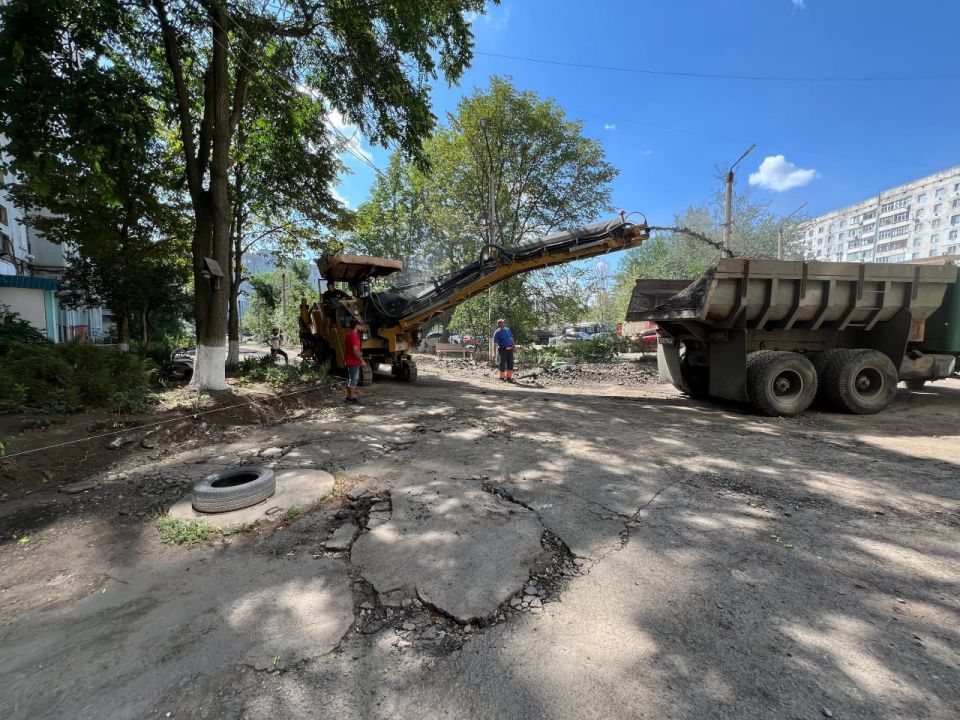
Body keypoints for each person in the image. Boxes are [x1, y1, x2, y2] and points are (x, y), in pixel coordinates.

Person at [344, 318, 367, 404]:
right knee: (353, 379)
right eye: (360, 325)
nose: (362, 326)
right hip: (353, 361)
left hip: (350, 360)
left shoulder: (349, 335)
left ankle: (348, 397)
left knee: (350, 379)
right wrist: (362, 360)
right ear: (356, 325)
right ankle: (352, 398)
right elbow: (355, 350)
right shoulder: (353, 335)